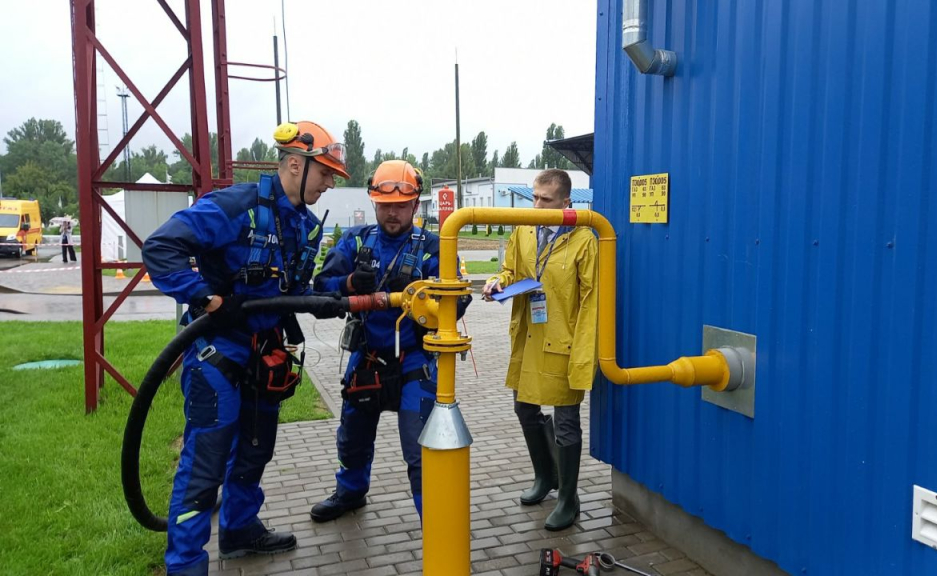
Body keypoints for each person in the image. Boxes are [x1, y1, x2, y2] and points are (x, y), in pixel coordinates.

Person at [142, 120, 347, 576]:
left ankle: (238, 531)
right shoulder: (234, 206)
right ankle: (186, 566)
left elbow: (293, 289)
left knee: (255, 450)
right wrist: (207, 299)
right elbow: (161, 247)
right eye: (326, 173)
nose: (330, 184)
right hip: (219, 352)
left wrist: (335, 294)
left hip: (266, 354)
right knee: (206, 463)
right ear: (296, 164)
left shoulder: (305, 226)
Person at [310, 160, 471, 521]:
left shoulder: (434, 247)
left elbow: (459, 300)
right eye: (385, 205)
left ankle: (435, 526)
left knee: (420, 449)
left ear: (415, 205)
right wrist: (350, 284)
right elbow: (320, 291)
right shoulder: (355, 241)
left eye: (401, 205)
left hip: (415, 360)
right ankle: (350, 493)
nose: (393, 212)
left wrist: (421, 299)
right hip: (367, 357)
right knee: (352, 437)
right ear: (374, 203)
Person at [482, 168, 598, 531]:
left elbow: (592, 304)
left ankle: (569, 498)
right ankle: (545, 476)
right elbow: (511, 270)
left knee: (566, 424)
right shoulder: (524, 229)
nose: (536, 205)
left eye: (545, 200)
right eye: (534, 197)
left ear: (566, 203)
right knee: (524, 408)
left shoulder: (584, 240)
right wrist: (497, 283)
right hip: (530, 339)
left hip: (564, 345)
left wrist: (583, 358)